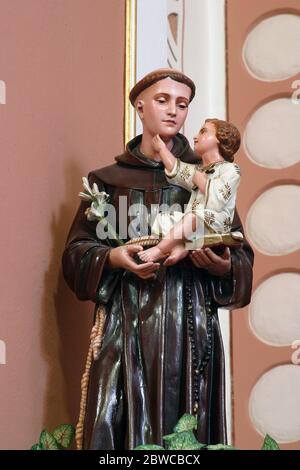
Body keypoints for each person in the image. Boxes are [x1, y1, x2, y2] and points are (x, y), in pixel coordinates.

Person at [62, 68, 254, 449]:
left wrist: (224, 266)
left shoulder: (206, 177)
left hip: (190, 324)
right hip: (124, 321)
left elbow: (241, 257)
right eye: (162, 100)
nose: (173, 111)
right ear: (140, 106)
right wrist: (114, 256)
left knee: (185, 435)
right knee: (113, 423)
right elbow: (74, 255)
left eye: (182, 105)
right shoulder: (108, 180)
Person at [138, 119, 241, 266]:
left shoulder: (231, 169)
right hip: (194, 223)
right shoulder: (198, 170)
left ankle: (160, 250)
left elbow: (219, 199)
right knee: (164, 219)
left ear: (221, 138)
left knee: (193, 217)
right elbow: (177, 168)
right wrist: (162, 149)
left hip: (216, 221)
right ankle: (181, 246)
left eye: (203, 132)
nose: (195, 136)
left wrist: (203, 182)